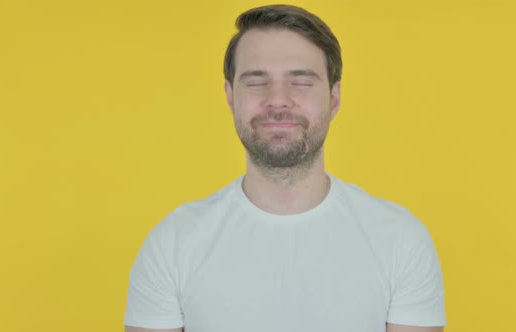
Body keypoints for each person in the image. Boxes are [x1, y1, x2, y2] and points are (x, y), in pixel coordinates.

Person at [124, 4, 446, 332]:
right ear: (230, 96)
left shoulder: (401, 241)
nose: (278, 100)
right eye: (255, 81)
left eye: (301, 82)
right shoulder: (173, 245)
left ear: (334, 98)